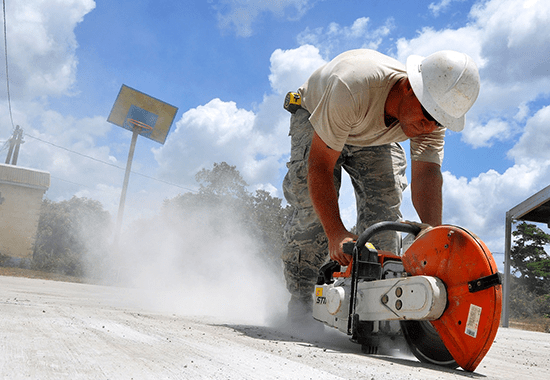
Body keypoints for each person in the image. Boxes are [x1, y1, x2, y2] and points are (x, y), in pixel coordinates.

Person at [281, 49, 480, 323]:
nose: (428, 127)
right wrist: (337, 233)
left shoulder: (431, 117)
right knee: (314, 215)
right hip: (319, 114)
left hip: (372, 133)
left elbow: (427, 174)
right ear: (410, 87)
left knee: (385, 216)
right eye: (427, 116)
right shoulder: (352, 86)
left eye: (438, 121)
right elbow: (320, 167)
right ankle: (302, 306)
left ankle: (372, 312)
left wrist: (432, 234)